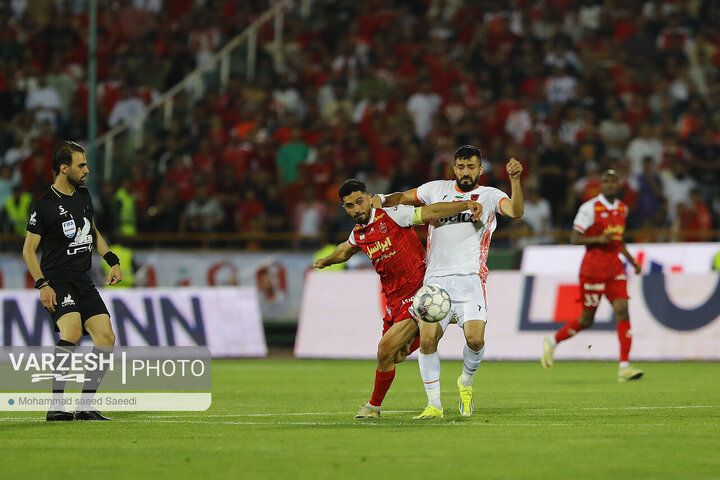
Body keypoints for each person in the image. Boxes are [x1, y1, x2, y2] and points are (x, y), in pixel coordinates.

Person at [374, 145, 524, 419]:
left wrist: (515, 180)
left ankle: (465, 383)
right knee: (429, 341)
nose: (465, 172)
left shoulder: (490, 196)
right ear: (454, 168)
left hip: (470, 280)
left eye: (471, 167)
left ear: (481, 170)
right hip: (435, 281)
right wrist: (380, 199)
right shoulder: (436, 189)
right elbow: (403, 197)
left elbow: (515, 211)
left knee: (475, 340)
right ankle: (434, 405)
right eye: (461, 167)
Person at [314, 178, 482, 419]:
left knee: (384, 349)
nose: (357, 209)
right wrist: (326, 260)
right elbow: (345, 250)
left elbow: (431, 211)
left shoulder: (393, 215)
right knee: (395, 356)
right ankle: (442, 318)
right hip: (393, 301)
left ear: (369, 198)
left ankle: (374, 407)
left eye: (360, 202)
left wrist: (464, 204)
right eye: (350, 206)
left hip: (418, 294)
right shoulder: (359, 234)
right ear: (345, 208)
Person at [22, 141, 122, 421]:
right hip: (57, 280)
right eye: (81, 165)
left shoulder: (83, 196)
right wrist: (42, 284)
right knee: (73, 333)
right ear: (64, 168)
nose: (87, 170)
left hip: (82, 278)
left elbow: (91, 231)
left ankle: (85, 405)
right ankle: (56, 406)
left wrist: (111, 259)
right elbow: (28, 250)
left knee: (106, 337)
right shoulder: (44, 205)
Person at [541, 169, 644, 382]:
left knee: (623, 310)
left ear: (618, 185)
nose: (610, 185)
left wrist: (632, 261)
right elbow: (574, 238)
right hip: (592, 270)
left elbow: (617, 240)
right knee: (587, 319)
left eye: (613, 182)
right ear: (601, 185)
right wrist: (599, 239)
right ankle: (552, 341)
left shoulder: (622, 209)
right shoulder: (589, 208)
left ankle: (624, 367)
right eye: (606, 182)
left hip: (614, 268)